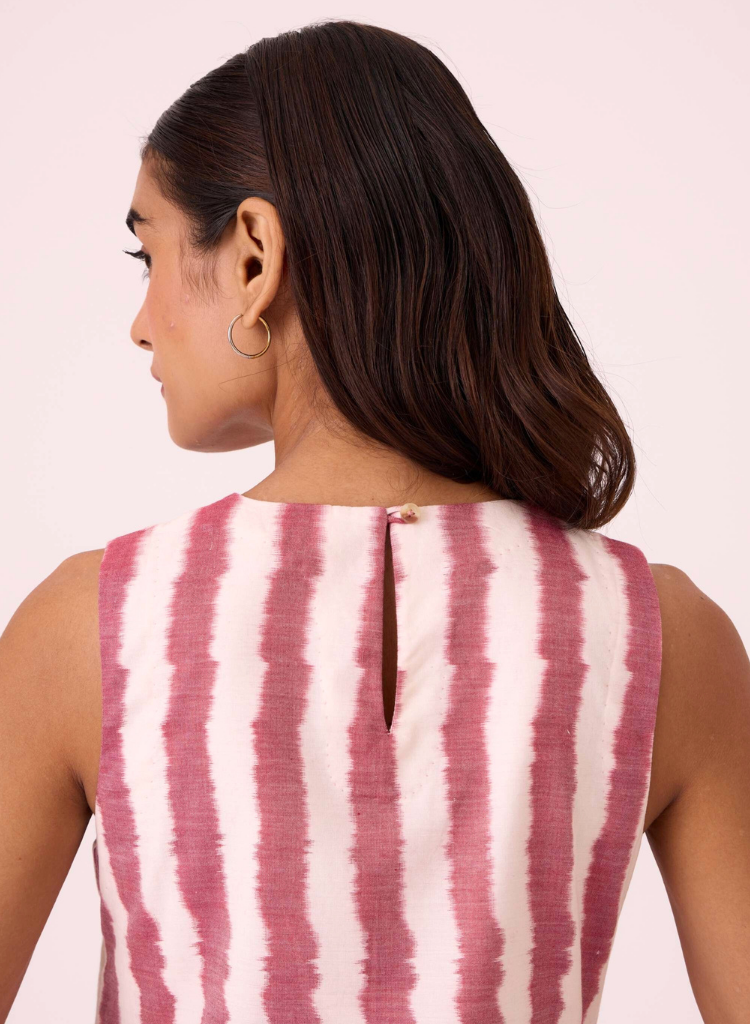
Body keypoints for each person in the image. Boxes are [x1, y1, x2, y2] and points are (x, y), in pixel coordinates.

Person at [1, 18, 748, 1024]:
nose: (141, 324)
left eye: (149, 254)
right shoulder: (665, 637)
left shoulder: (89, 630)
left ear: (255, 256)